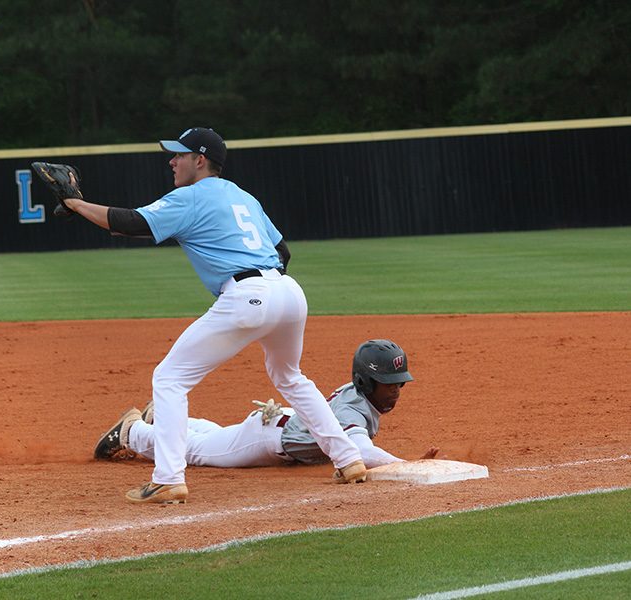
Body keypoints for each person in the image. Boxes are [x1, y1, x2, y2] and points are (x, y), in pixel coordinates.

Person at [64, 127, 365, 504]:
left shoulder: (189, 197)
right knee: (290, 376)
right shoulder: (243, 196)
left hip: (248, 295)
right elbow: (282, 251)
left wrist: (75, 203)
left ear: (200, 160)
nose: (172, 161)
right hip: (289, 292)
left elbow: (131, 223)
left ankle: (168, 477)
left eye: (179, 155)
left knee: (169, 378)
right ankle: (348, 457)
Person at [94, 340, 438, 471]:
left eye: (398, 385)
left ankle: (160, 418)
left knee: (220, 437)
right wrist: (407, 465)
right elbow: (359, 450)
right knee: (197, 451)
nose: (395, 392)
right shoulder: (352, 408)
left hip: (276, 425)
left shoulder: (357, 395)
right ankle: (132, 432)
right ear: (367, 382)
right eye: (389, 385)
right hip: (268, 438)